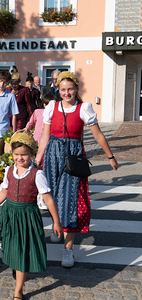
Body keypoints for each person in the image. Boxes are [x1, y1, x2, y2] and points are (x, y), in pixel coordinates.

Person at [35, 71, 118, 268]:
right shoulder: (51, 107)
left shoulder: (84, 108)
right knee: (52, 198)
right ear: (58, 90)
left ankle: (68, 250)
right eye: (63, 89)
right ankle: (58, 227)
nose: (66, 93)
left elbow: (98, 136)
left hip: (73, 158)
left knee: (71, 201)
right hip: (52, 157)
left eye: (70, 89)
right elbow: (45, 137)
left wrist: (110, 156)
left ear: (76, 89)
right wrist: (38, 157)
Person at [0, 131, 62, 300]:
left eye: (24, 155)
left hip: (26, 216)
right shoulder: (9, 170)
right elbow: (4, 192)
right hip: (9, 213)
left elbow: (48, 199)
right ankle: (17, 269)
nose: (20, 158)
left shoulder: (37, 174)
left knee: (22, 250)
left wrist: (56, 221)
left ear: (32, 153)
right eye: (16, 155)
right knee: (10, 245)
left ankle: (18, 291)